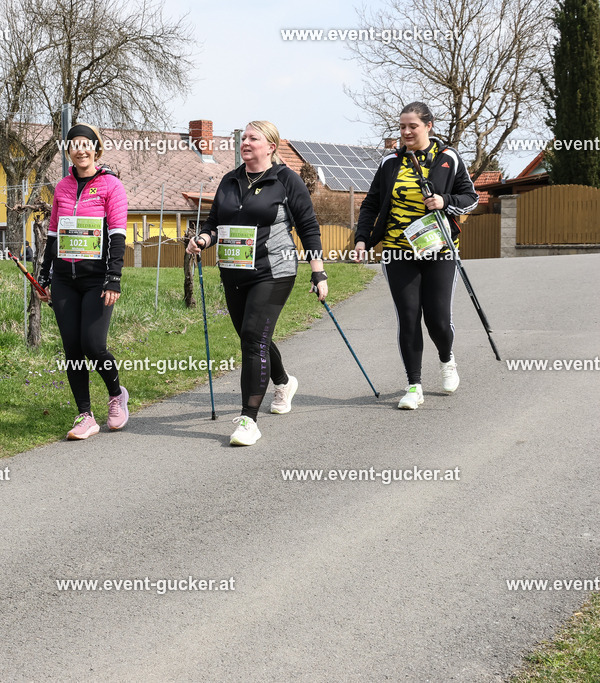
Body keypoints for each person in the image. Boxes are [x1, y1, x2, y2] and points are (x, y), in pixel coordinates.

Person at [186, 121, 327, 446]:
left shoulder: (286, 180)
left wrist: (318, 271)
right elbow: (213, 222)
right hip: (234, 272)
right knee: (253, 337)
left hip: (274, 270)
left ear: (271, 146)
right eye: (244, 138)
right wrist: (203, 239)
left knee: (251, 338)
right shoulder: (230, 179)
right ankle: (283, 381)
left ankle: (248, 420)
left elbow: (308, 226)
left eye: (254, 138)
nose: (246, 142)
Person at [354, 101, 478, 409]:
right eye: (402, 127)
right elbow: (371, 204)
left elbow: (471, 198)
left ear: (428, 126)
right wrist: (362, 240)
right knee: (408, 318)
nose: (406, 132)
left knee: (437, 319)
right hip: (398, 250)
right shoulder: (389, 163)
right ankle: (414, 385)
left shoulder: (447, 158)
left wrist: (444, 200)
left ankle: (447, 360)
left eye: (413, 126)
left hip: (438, 250)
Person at [37, 123, 129, 440]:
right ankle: (85, 416)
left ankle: (116, 394)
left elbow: (118, 236)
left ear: (95, 148)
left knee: (93, 344)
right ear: (68, 151)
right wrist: (44, 275)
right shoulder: (61, 187)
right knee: (73, 350)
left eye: (86, 143)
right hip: (64, 278)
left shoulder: (110, 186)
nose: (80, 149)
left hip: (97, 279)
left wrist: (113, 278)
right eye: (74, 144)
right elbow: (52, 234)